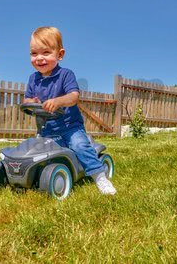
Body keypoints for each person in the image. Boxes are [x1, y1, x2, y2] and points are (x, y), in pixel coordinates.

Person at [23, 26, 116, 195]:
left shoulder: (65, 75)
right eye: (34, 53)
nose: (39, 58)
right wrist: (33, 102)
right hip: (46, 129)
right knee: (32, 150)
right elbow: (27, 100)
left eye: (45, 52)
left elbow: (73, 97)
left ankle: (100, 177)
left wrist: (58, 101)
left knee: (79, 145)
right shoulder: (33, 79)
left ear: (60, 55)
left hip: (70, 127)